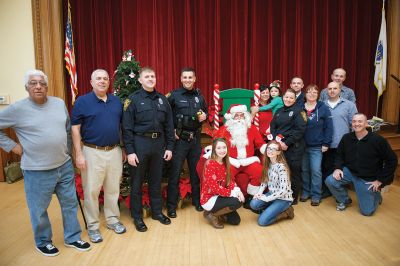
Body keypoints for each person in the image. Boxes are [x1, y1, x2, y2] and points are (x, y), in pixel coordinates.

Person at [0, 70, 90, 256]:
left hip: (64, 165)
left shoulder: (58, 103)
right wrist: (12, 146)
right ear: (27, 87)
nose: (38, 86)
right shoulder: (17, 109)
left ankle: (73, 237)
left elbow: (66, 130)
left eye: (42, 83)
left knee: (70, 204)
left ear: (47, 86)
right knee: (39, 209)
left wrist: (69, 153)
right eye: (33, 83)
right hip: (36, 170)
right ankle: (43, 241)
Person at [71, 69, 126, 243]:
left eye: (105, 78)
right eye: (98, 79)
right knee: (91, 191)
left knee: (113, 189)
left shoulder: (116, 101)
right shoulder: (82, 102)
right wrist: (78, 154)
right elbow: (75, 128)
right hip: (91, 151)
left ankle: (112, 220)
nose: (102, 81)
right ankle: (93, 226)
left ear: (109, 82)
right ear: (91, 82)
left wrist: (123, 148)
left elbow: (121, 127)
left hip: (114, 151)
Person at [122, 67, 175, 232]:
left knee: (155, 180)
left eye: (152, 76)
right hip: (139, 143)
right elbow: (127, 128)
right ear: (140, 80)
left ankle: (157, 212)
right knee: (137, 182)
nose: (151, 78)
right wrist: (130, 151)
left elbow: (169, 125)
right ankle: (137, 217)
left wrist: (170, 147)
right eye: (147, 76)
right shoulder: (133, 99)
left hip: (158, 144)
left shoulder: (162, 100)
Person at [325, 113, 397, 215]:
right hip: (350, 172)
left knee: (367, 212)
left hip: (368, 177)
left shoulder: (378, 140)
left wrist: (380, 181)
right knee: (330, 180)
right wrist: (337, 168)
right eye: (354, 121)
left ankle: (376, 195)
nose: (356, 124)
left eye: (360, 121)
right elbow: (339, 155)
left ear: (366, 124)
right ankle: (345, 200)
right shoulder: (346, 138)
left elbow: (392, 160)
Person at [166, 67, 208, 218]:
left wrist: (205, 116)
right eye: (185, 77)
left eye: (190, 77)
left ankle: (197, 202)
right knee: (175, 173)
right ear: (181, 79)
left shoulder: (199, 96)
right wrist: (170, 131)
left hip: (195, 140)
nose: (188, 80)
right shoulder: (174, 96)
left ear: (195, 79)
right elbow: (165, 115)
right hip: (180, 141)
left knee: (196, 172)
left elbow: (205, 113)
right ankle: (171, 206)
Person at [213, 104, 267, 204]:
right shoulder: (224, 130)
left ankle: (251, 195)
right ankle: (234, 196)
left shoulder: (252, 128)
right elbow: (216, 143)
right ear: (231, 117)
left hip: (249, 161)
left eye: (241, 115)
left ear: (245, 116)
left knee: (259, 171)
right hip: (231, 161)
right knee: (226, 175)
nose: (239, 118)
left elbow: (260, 143)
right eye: (236, 116)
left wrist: (267, 149)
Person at [269, 88, 307, 204]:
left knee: (293, 172)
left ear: (295, 99)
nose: (288, 99)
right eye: (286, 97)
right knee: (282, 172)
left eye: (291, 97)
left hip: (293, 148)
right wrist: (278, 142)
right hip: (279, 147)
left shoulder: (299, 111)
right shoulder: (279, 111)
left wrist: (286, 143)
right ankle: (281, 194)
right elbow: (273, 127)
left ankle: (293, 197)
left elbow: (300, 130)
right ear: (282, 97)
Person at [321, 81, 357, 198]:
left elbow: (354, 125)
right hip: (326, 144)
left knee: (341, 169)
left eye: (335, 88)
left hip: (343, 144)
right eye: (330, 88)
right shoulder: (321, 105)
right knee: (326, 167)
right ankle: (327, 190)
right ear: (327, 90)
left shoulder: (349, 105)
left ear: (339, 90)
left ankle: (340, 191)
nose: (332, 91)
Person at [201, 138, 244, 228]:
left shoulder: (225, 162)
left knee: (235, 221)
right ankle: (212, 215)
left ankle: (217, 212)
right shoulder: (210, 163)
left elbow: (229, 180)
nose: (222, 150)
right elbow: (214, 188)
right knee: (237, 201)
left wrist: (238, 190)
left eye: (224, 147)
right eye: (219, 148)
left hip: (220, 195)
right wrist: (233, 193)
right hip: (209, 198)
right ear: (214, 149)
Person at [300, 84, 333, 206]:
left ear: (318, 94)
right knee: (304, 170)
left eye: (315, 92)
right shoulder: (300, 107)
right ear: (305, 94)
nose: (312, 94)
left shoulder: (323, 107)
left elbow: (329, 127)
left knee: (316, 171)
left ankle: (315, 195)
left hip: (317, 146)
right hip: (302, 146)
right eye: (309, 91)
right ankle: (305, 192)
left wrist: (326, 143)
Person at [250, 140, 294, 226]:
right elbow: (265, 181)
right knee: (253, 204)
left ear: (278, 152)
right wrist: (259, 193)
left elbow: (283, 191)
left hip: (283, 198)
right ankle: (272, 209)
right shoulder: (268, 163)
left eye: (273, 149)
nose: (270, 151)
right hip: (272, 194)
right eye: (269, 148)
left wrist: (266, 198)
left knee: (262, 222)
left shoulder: (281, 167)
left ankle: (286, 212)